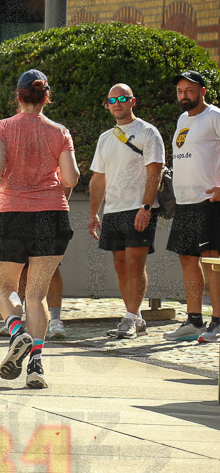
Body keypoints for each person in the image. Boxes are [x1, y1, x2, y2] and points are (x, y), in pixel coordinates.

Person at [0, 70, 78, 390]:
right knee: (36, 295)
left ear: (18, 95)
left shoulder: (3, 127)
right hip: (52, 215)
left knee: (5, 288)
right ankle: (36, 366)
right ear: (45, 97)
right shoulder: (60, 131)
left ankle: (17, 332)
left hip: (13, 213)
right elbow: (70, 178)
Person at [88, 83, 165, 339]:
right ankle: (136, 317)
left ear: (133, 101)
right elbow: (98, 179)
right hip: (113, 211)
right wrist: (93, 213)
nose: (117, 103)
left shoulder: (148, 132)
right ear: (107, 105)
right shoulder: (105, 138)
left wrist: (146, 207)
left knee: (135, 263)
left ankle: (130, 319)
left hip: (139, 208)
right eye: (112, 100)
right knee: (120, 265)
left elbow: (155, 172)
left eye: (122, 98)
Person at [164, 70, 220, 342]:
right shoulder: (182, 119)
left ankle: (218, 321)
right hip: (185, 201)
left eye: (189, 90)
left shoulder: (215, 116)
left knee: (213, 261)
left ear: (202, 91)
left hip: (209, 199)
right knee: (187, 258)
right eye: (180, 91)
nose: (183, 95)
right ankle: (194, 321)